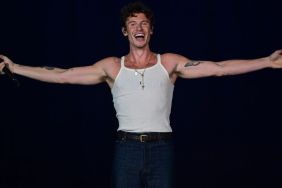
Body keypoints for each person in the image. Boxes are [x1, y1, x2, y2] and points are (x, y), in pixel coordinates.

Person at [1, 1, 282, 188]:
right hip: (127, 151)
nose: (139, 27)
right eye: (133, 23)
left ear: (151, 30)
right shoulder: (111, 67)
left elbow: (219, 68)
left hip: (162, 149)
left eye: (144, 23)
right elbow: (61, 75)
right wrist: (15, 67)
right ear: (125, 31)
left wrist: (267, 62)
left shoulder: (169, 63)